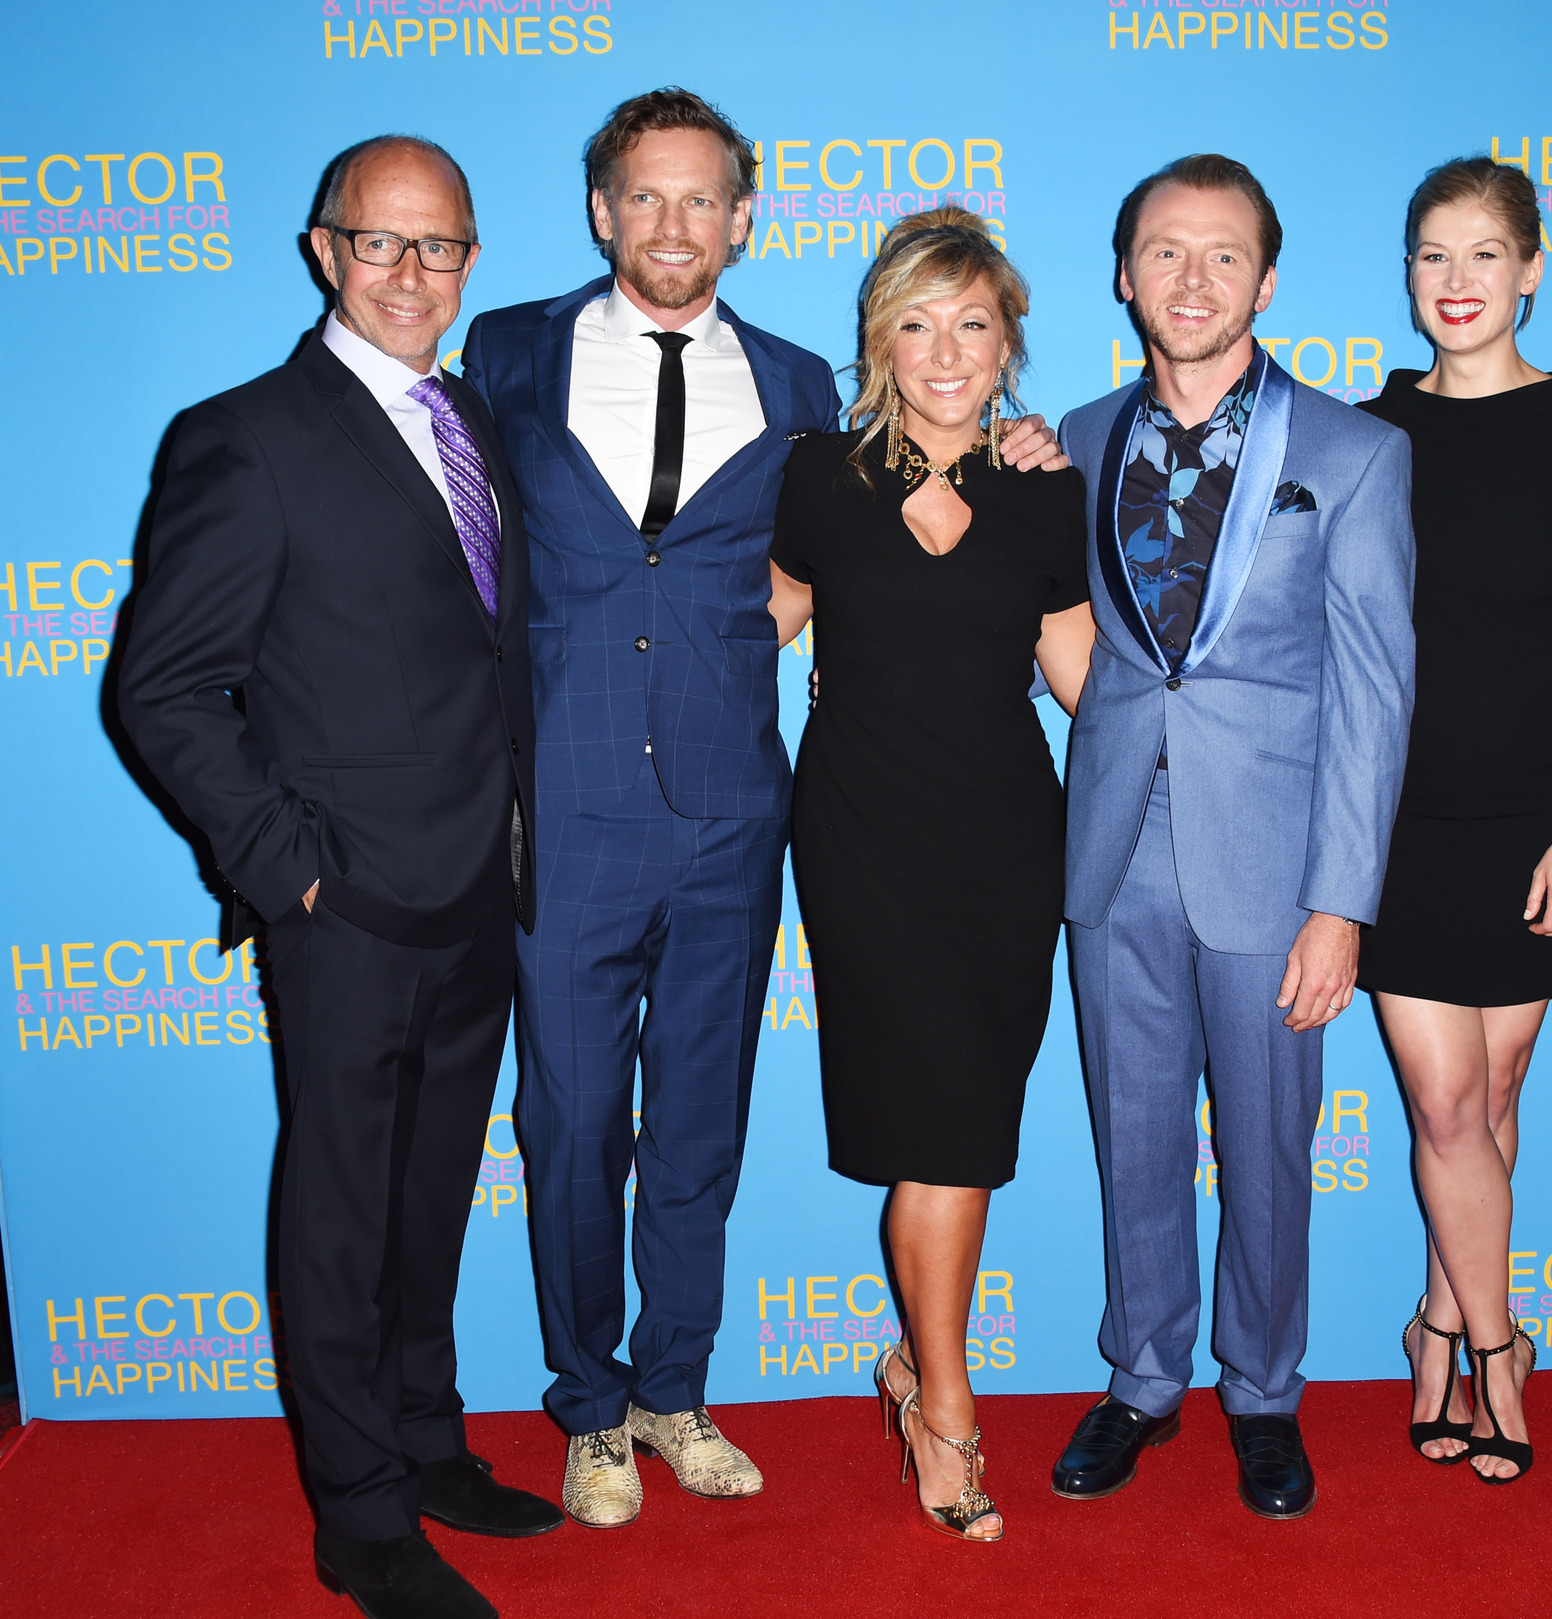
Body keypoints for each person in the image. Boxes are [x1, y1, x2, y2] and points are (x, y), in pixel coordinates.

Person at [460, 88, 1067, 1528]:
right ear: (605, 209)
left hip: (741, 814)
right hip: (571, 804)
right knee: (568, 1121)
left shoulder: (799, 394)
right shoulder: (507, 354)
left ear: (743, 219)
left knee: (700, 1128)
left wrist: (1024, 467)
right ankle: (590, 1405)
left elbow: (815, 593)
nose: (674, 224)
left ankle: (674, 1387)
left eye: (703, 200)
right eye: (645, 197)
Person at [118, 136, 560, 1619]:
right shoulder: (246, 436)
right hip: (350, 909)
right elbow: (163, 688)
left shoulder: (471, 416)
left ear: (472, 260)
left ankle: (427, 1447)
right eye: (382, 244)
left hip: (481, 892)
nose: (412, 274)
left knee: (431, 1196)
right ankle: (359, 1516)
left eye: (439, 247)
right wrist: (288, 872)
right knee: (339, 1210)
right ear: (325, 250)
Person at [1050, 155, 1416, 1521]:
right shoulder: (1073, 440)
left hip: (1274, 856)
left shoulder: (1354, 453)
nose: (1191, 280)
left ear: (1267, 281)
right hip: (1110, 847)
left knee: (1266, 1142)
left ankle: (1262, 1390)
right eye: (1163, 251)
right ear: (1124, 273)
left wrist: (1344, 901)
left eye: (1222, 257)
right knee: (1131, 1130)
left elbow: (1375, 692)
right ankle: (1142, 1375)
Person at [765, 209, 1095, 1543]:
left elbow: (1086, 681)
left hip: (1011, 841)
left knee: (969, 1127)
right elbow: (756, 625)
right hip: (861, 840)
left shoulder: (1045, 486)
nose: (947, 349)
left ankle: (919, 1366)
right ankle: (946, 1402)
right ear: (879, 340)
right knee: (941, 1123)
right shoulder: (816, 478)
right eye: (918, 321)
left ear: (1008, 338)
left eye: (973, 322)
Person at [1356, 156, 1552, 1485]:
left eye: (1485, 254)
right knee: (1443, 1097)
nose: (1457, 281)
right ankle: (1497, 1349)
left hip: (1540, 818)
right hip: (1402, 824)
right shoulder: (1365, 431)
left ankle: (1434, 1317)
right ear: (1408, 275)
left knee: (1497, 1092)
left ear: (1532, 268)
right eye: (1433, 255)